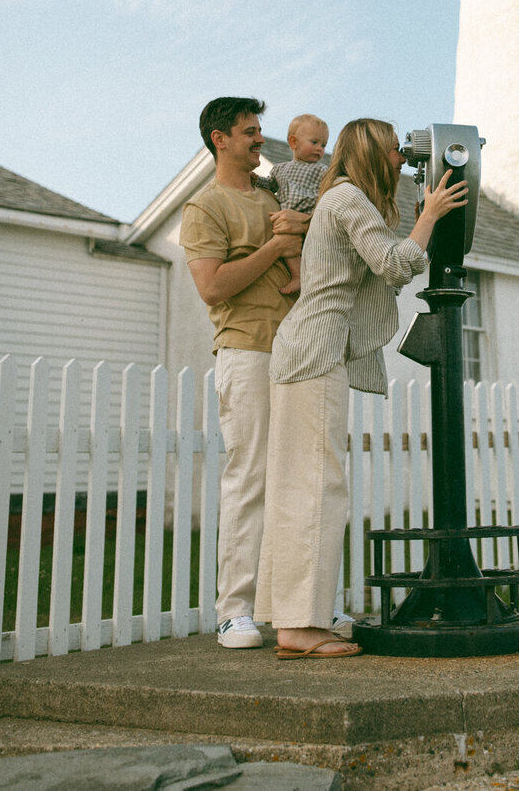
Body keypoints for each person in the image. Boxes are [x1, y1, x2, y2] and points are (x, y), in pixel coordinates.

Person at [254, 118, 468, 659]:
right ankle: (301, 627)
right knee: (319, 486)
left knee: (296, 486)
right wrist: (430, 216)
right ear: (372, 153)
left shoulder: (340, 199)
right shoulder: (349, 199)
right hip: (317, 353)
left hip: (302, 351)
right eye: (395, 151)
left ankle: (291, 621)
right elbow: (395, 264)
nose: (404, 159)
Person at [179, 97, 308, 648]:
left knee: (299, 481)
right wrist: (276, 245)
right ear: (220, 139)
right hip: (247, 351)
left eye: (261, 131)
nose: (261, 140)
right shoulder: (204, 208)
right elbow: (212, 286)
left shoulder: (278, 194)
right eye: (250, 132)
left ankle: (298, 609)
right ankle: (234, 611)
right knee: (249, 478)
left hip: (299, 352)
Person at [268, 114, 329, 295]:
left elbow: (327, 192)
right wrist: (256, 180)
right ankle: (297, 275)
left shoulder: (321, 170)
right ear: (294, 142)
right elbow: (271, 185)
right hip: (287, 217)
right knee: (287, 243)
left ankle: (312, 278)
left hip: (307, 215)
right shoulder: (279, 169)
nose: (319, 149)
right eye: (314, 142)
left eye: (323, 145)